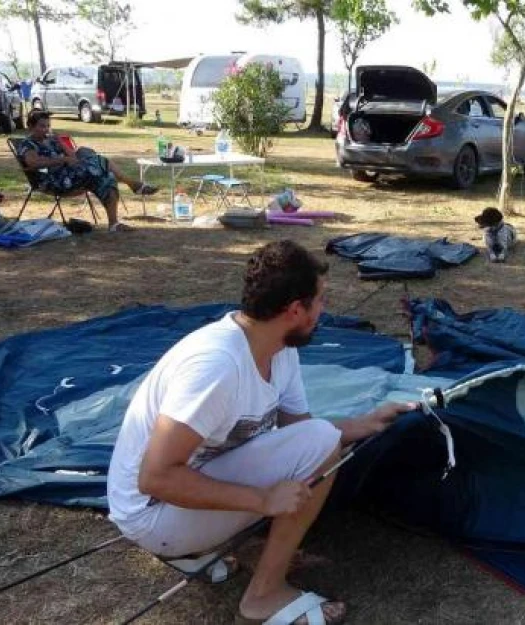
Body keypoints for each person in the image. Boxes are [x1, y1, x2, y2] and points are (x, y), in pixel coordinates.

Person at [107, 240, 412, 624]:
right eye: (319, 300)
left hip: (182, 498)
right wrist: (263, 499)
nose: (324, 310)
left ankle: (226, 550)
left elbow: (300, 436)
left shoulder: (278, 348)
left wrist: (363, 424)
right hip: (152, 515)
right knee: (321, 441)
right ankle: (262, 596)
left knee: (322, 439)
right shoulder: (217, 367)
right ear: (295, 310)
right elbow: (156, 477)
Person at [17, 110, 157, 232]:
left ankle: (114, 224)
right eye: (42, 126)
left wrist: (61, 144)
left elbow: (72, 157)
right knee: (99, 163)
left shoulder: (51, 141)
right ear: (30, 126)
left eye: (48, 126)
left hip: (70, 175)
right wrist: (62, 160)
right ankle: (133, 184)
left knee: (106, 176)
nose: (46, 129)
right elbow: (33, 163)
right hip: (53, 181)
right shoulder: (28, 144)